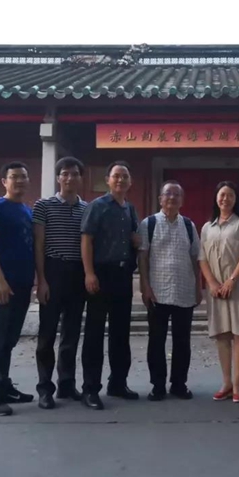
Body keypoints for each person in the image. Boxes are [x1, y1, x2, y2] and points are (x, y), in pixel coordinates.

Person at [80, 161, 140, 410]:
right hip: (100, 274)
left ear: (130, 182)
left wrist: (136, 241)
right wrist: (89, 273)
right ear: (107, 180)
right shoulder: (97, 206)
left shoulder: (130, 209)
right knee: (94, 333)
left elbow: (134, 238)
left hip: (122, 275)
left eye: (125, 176)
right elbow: (86, 240)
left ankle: (118, 383)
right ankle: (90, 389)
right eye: (116, 176)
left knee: (120, 333)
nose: (120, 180)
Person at [0, 162, 35, 417]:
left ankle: (3, 386)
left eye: (23, 176)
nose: (19, 181)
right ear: (4, 181)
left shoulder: (26, 210)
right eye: (14, 177)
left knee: (9, 339)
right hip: (2, 284)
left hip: (23, 284)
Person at [138, 181, 202, 402]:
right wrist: (145, 286)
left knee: (182, 341)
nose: (172, 198)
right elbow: (143, 257)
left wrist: (198, 287)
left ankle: (178, 384)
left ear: (182, 200)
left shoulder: (189, 225)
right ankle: (157, 385)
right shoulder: (149, 224)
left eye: (176, 195)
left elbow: (196, 258)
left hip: (184, 291)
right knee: (156, 341)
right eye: (168, 194)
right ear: (160, 199)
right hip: (158, 291)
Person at [33, 157, 88, 410]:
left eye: (74, 174)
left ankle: (67, 384)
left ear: (80, 178)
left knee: (71, 333)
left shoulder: (86, 209)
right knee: (47, 334)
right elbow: (39, 245)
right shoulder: (43, 206)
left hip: (77, 273)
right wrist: (41, 280)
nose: (69, 178)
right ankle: (45, 389)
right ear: (58, 178)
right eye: (65, 174)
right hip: (53, 271)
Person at [199, 181, 239, 403]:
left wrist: (232, 280)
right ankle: (226, 383)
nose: (225, 199)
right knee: (222, 334)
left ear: (236, 199)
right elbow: (202, 258)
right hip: (216, 289)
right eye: (222, 195)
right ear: (216, 198)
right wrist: (212, 283)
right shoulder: (207, 228)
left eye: (230, 195)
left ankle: (237, 384)